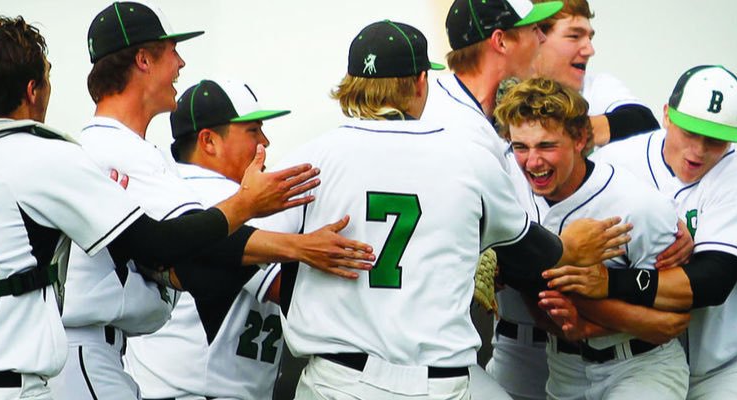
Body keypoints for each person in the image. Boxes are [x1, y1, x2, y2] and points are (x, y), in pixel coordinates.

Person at [0, 16, 315, 400]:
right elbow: (156, 243)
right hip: (19, 376)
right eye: (47, 77)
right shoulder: (42, 155)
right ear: (32, 90)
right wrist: (245, 205)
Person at [252, 20, 629, 400]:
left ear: (351, 84)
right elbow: (527, 254)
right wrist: (568, 247)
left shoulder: (312, 158)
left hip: (338, 380)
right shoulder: (468, 156)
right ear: (420, 82)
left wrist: (297, 251)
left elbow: (240, 246)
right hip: (437, 384)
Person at [54, 3, 375, 399]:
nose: (181, 62)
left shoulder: (120, 150)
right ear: (143, 60)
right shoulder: (117, 149)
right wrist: (297, 244)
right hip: (113, 359)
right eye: (172, 50)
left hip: (106, 354)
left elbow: (177, 249)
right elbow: (200, 242)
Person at [557, 65, 737, 399]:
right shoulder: (617, 161)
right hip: (648, 363)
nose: (698, 150)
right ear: (666, 114)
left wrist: (610, 283)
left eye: (714, 139)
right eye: (690, 132)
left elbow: (710, 283)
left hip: (734, 364)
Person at [496, 77, 691, 399]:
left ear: (580, 138)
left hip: (641, 367)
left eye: (547, 146)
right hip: (563, 370)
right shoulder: (509, 191)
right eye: (520, 147)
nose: (533, 161)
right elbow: (532, 289)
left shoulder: (637, 203)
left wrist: (589, 324)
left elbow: (673, 317)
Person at [123, 79, 293, 400]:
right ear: (209, 141)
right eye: (253, 131)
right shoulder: (222, 197)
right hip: (198, 391)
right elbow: (290, 290)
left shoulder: (168, 189)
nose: (265, 142)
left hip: (158, 387)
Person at [529, 0, 661, 150]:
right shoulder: (506, 91)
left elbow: (645, 122)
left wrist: (568, 131)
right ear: (536, 37)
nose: (590, 51)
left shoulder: (596, 86)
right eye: (574, 36)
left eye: (589, 38)